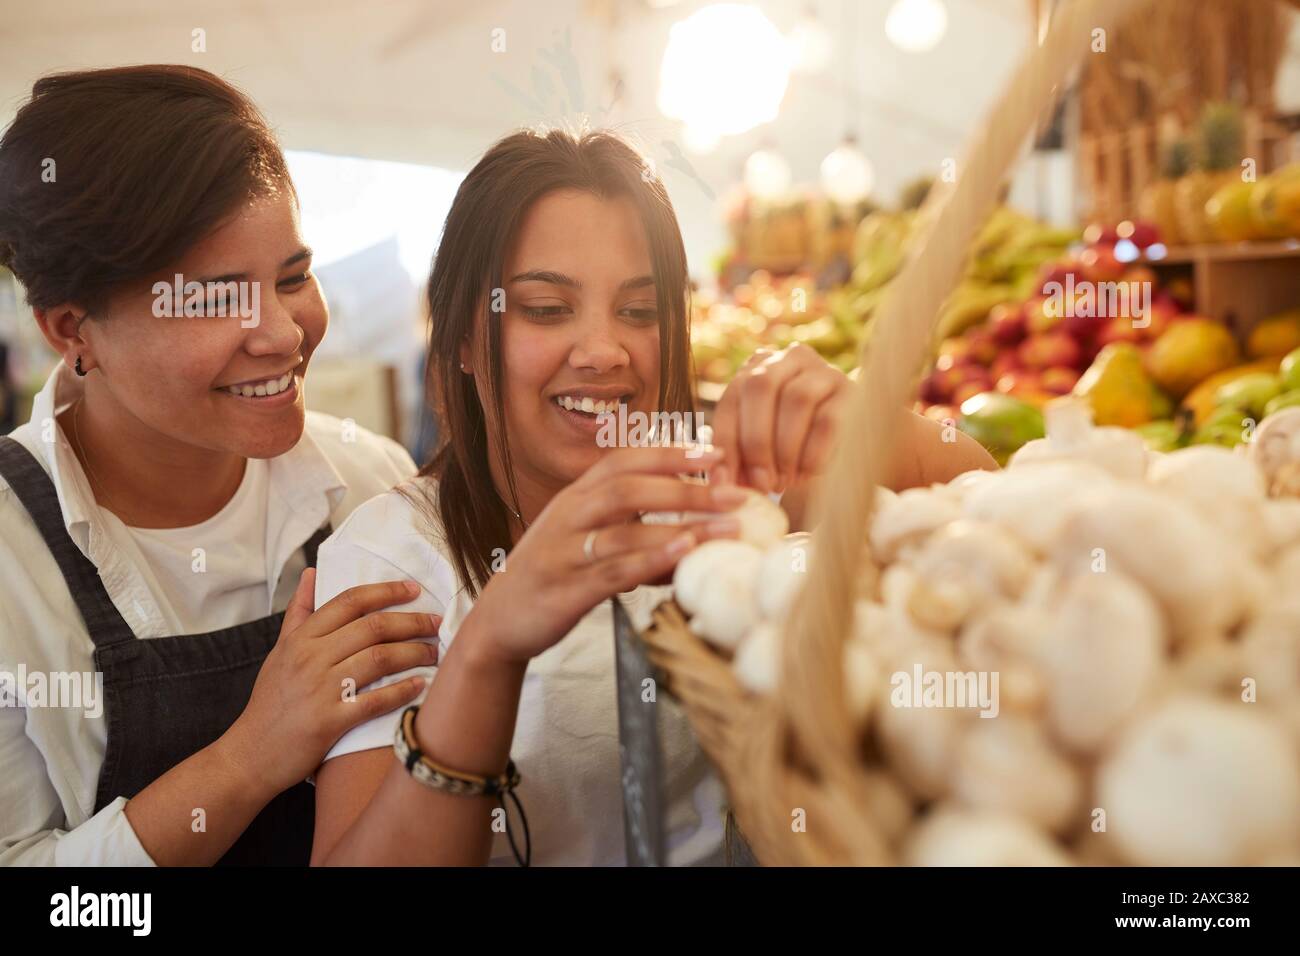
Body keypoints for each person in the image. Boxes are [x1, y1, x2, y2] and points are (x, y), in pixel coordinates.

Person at [310, 128, 996, 866]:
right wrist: (488, 649)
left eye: (639, 311)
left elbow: (991, 512)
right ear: (466, 341)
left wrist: (865, 426)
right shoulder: (392, 560)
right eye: (545, 308)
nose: (605, 350)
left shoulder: (723, 488)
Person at [0, 65, 439, 866]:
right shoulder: (12, 563)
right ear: (73, 332)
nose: (282, 333)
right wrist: (252, 756)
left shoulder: (372, 487)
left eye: (294, 278)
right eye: (212, 299)